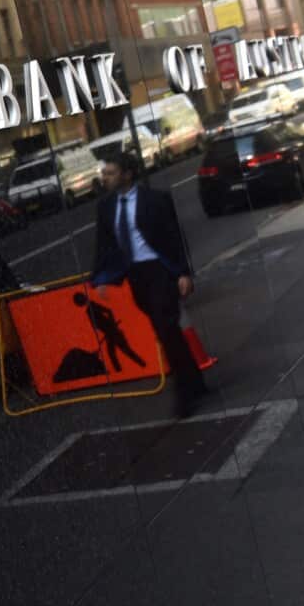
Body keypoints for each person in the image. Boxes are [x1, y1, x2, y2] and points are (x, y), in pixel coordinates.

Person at [92, 152, 207, 417]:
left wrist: (183, 273)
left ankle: (184, 396)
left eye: (111, 173)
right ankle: (196, 382)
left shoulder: (155, 200)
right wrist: (101, 277)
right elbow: (104, 243)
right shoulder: (106, 206)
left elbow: (174, 237)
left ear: (127, 174)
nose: (105, 178)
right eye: (104, 173)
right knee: (168, 330)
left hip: (160, 270)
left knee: (166, 329)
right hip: (136, 275)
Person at [72, 291, 146, 373]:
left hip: (113, 332)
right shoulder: (89, 309)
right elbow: (98, 323)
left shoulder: (92, 306)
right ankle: (121, 371)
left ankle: (141, 365)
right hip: (109, 334)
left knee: (125, 351)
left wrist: (112, 326)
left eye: (79, 300)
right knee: (114, 354)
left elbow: (108, 311)